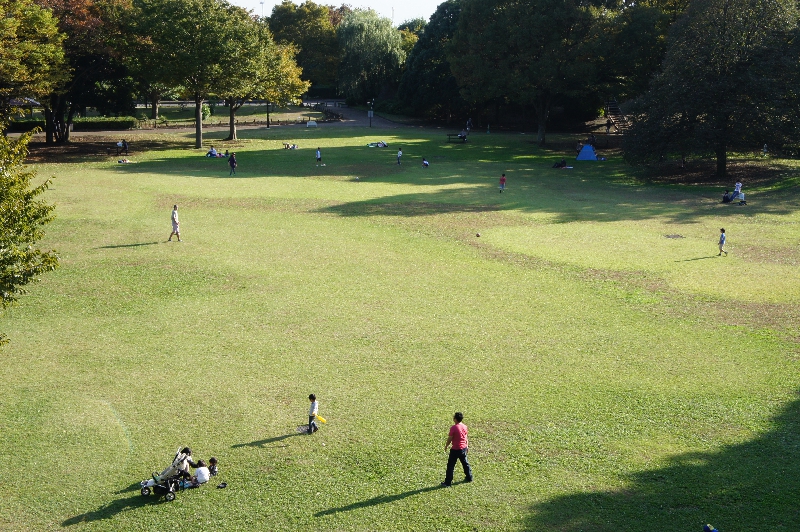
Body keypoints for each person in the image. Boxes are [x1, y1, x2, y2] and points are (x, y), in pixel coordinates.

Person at [441, 412, 472, 487]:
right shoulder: (464, 426)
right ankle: (469, 477)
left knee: (450, 466)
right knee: (465, 464)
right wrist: (467, 445)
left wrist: (446, 445)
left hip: (455, 449)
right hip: (463, 448)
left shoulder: (453, 428)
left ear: (455, 419)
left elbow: (450, 438)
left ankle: (447, 482)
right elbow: (465, 437)